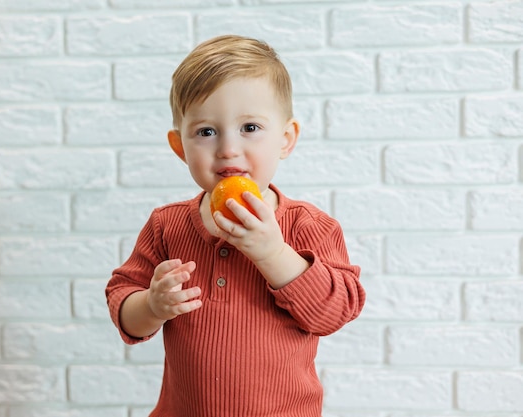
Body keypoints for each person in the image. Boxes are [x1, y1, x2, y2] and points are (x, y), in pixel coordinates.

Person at [106, 34, 366, 417]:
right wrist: (152, 304)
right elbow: (122, 302)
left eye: (250, 128)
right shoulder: (168, 225)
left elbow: (334, 312)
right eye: (207, 132)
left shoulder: (309, 226)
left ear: (286, 138)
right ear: (180, 148)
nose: (228, 148)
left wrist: (274, 253)